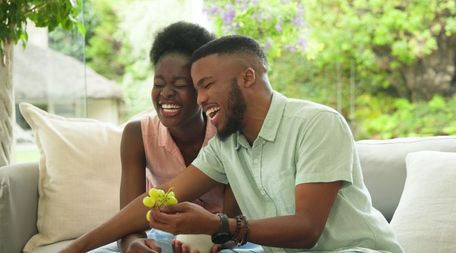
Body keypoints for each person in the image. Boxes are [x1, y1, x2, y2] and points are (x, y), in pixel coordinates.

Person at [63, 34, 404, 253]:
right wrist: (76, 248)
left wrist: (218, 226)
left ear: (247, 77)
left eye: (207, 85)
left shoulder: (317, 124)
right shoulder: (227, 146)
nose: (200, 99)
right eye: (196, 89)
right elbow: (158, 197)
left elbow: (307, 230)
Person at [62, 22, 239, 253]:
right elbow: (129, 220)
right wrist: (132, 244)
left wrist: (212, 241)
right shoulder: (137, 134)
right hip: (164, 238)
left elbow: (234, 222)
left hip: (219, 239)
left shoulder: (227, 133)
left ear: (200, 88)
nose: (165, 93)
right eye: (158, 84)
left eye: (179, 84)